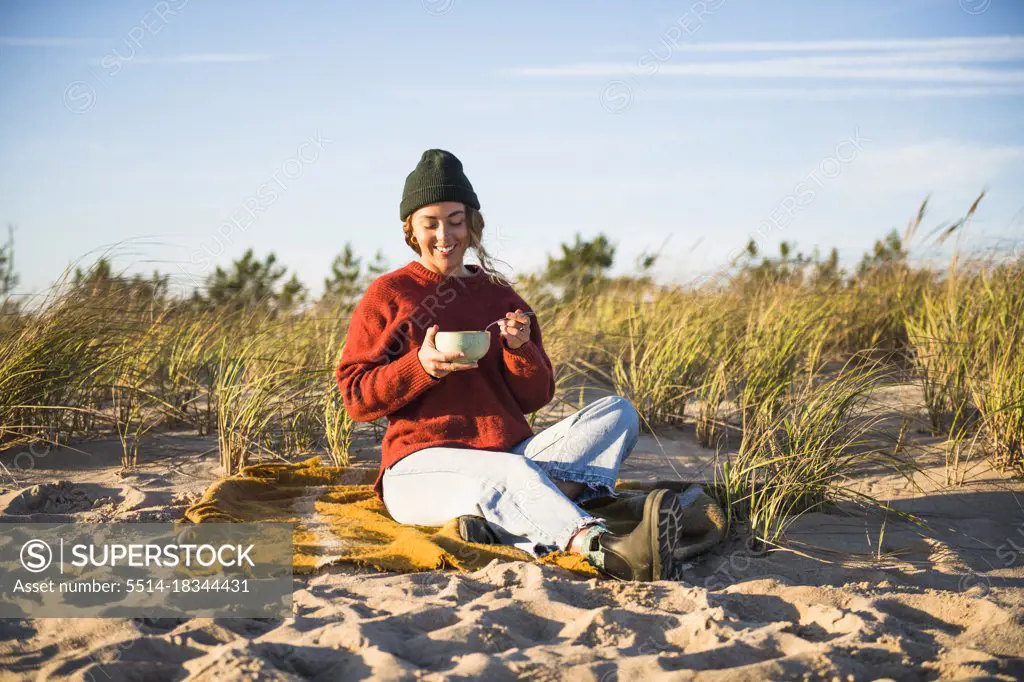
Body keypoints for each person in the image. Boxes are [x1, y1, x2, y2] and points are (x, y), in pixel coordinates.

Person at [335, 149, 687, 581]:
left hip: (511, 454)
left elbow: (535, 397)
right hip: (418, 469)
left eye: (455, 220)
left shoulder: (501, 295)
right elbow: (356, 397)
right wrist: (420, 367)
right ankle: (599, 547)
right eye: (431, 223)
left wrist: (520, 349)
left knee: (617, 413)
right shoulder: (388, 294)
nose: (444, 234)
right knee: (510, 473)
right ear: (411, 229)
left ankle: (501, 527)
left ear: (472, 224)